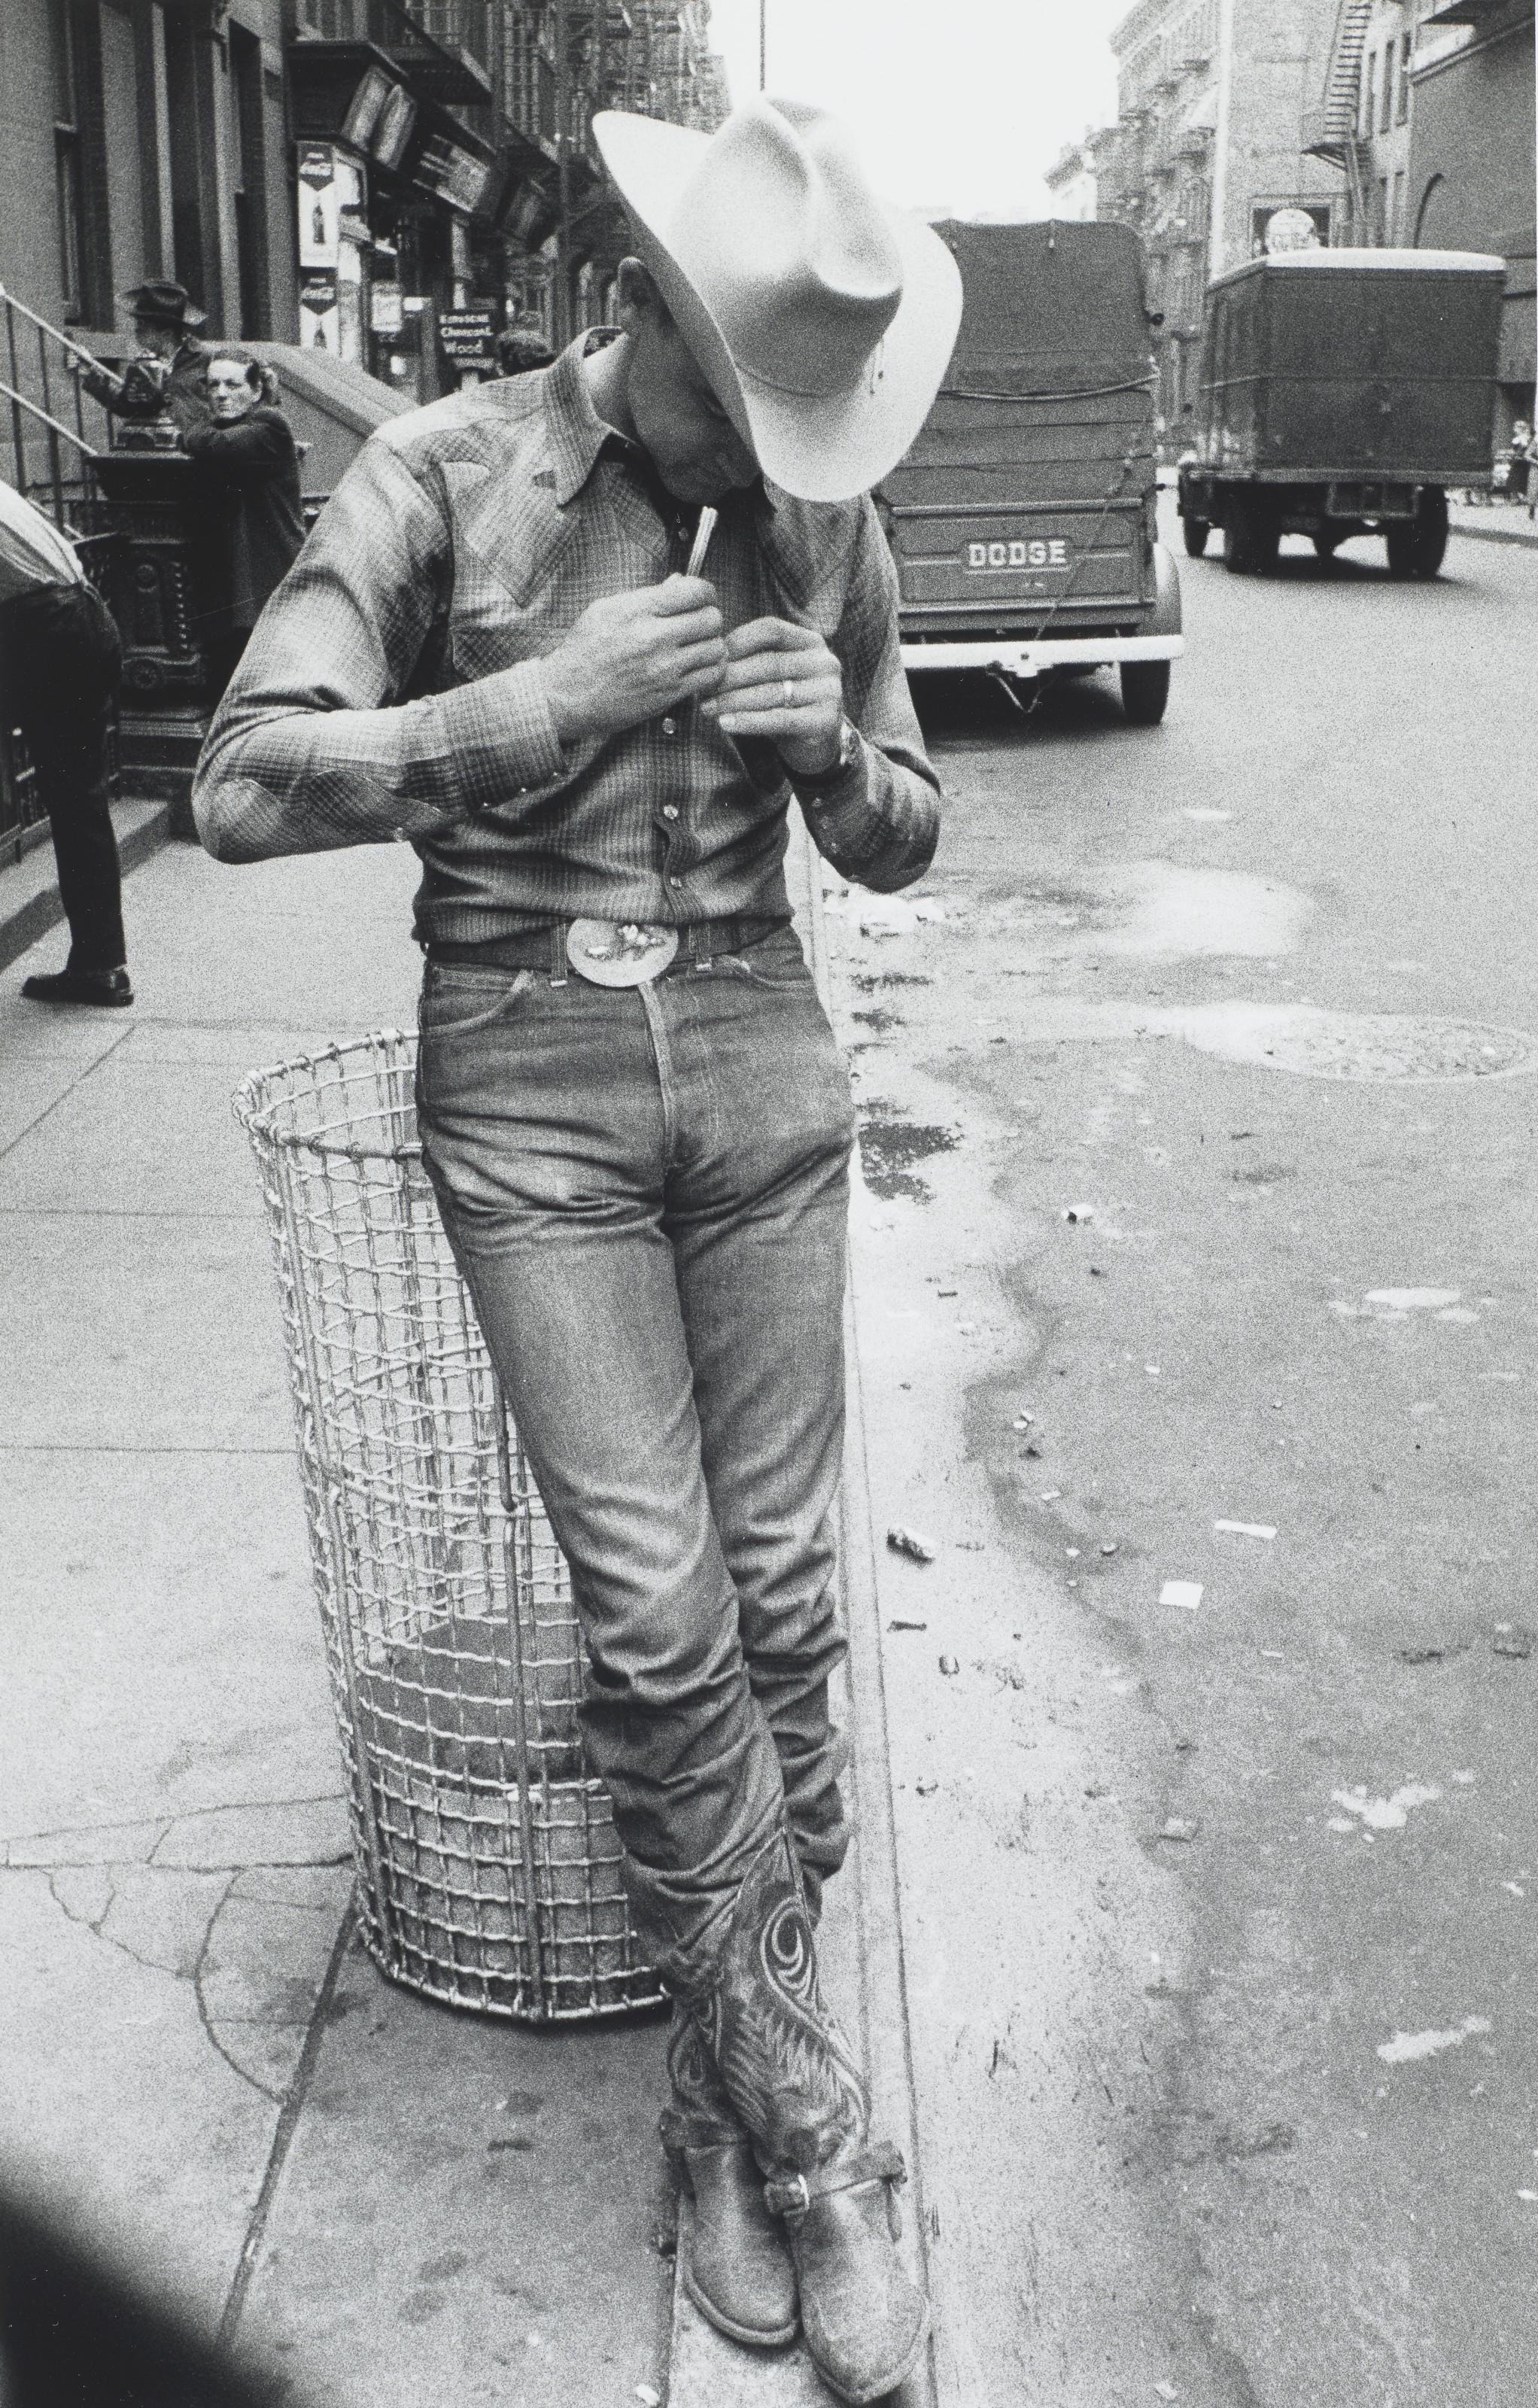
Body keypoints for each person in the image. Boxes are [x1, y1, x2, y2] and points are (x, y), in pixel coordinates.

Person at [193, 96, 961, 2405]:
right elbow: (238, 779)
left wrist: (834, 751)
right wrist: (536, 708)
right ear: (643, 312)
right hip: (524, 1061)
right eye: (758, 398)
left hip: (760, 1047)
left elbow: (910, 829)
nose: (788, 454)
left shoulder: (826, 514)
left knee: (795, 1597)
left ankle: (736, 2095)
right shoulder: (435, 472)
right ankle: (820, 2138)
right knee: (657, 1611)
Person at [0, 481, 130, 1007]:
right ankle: (101, 965)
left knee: (74, 801)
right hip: (79, 615)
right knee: (81, 804)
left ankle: (100, 966)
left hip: (44, 625)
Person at [181, 350, 305, 698]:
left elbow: (216, 443)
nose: (220, 394)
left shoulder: (269, 425)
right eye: (213, 384)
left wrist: (188, 433)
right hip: (233, 581)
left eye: (232, 384)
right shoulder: (228, 426)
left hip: (268, 574)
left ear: (255, 391)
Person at [78, 281, 212, 447]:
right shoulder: (144, 362)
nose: (136, 331)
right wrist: (90, 372)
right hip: (153, 447)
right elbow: (127, 406)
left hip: (193, 450)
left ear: (166, 334)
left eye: (142, 326)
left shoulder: (203, 358)